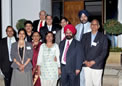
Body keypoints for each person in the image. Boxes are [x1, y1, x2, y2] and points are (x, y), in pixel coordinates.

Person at [81, 19, 108, 86]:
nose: (94, 26)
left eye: (95, 24)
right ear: (90, 26)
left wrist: (94, 61)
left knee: (96, 84)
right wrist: (85, 61)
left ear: (98, 26)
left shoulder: (103, 37)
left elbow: (104, 52)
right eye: (92, 24)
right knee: (87, 84)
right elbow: (81, 49)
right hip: (86, 64)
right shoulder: (85, 36)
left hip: (97, 65)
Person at [75, 10, 91, 86]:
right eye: (81, 17)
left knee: (87, 76)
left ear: (87, 17)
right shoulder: (77, 27)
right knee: (80, 74)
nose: (83, 18)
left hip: (88, 53)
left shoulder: (91, 26)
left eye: (85, 16)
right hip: (78, 53)